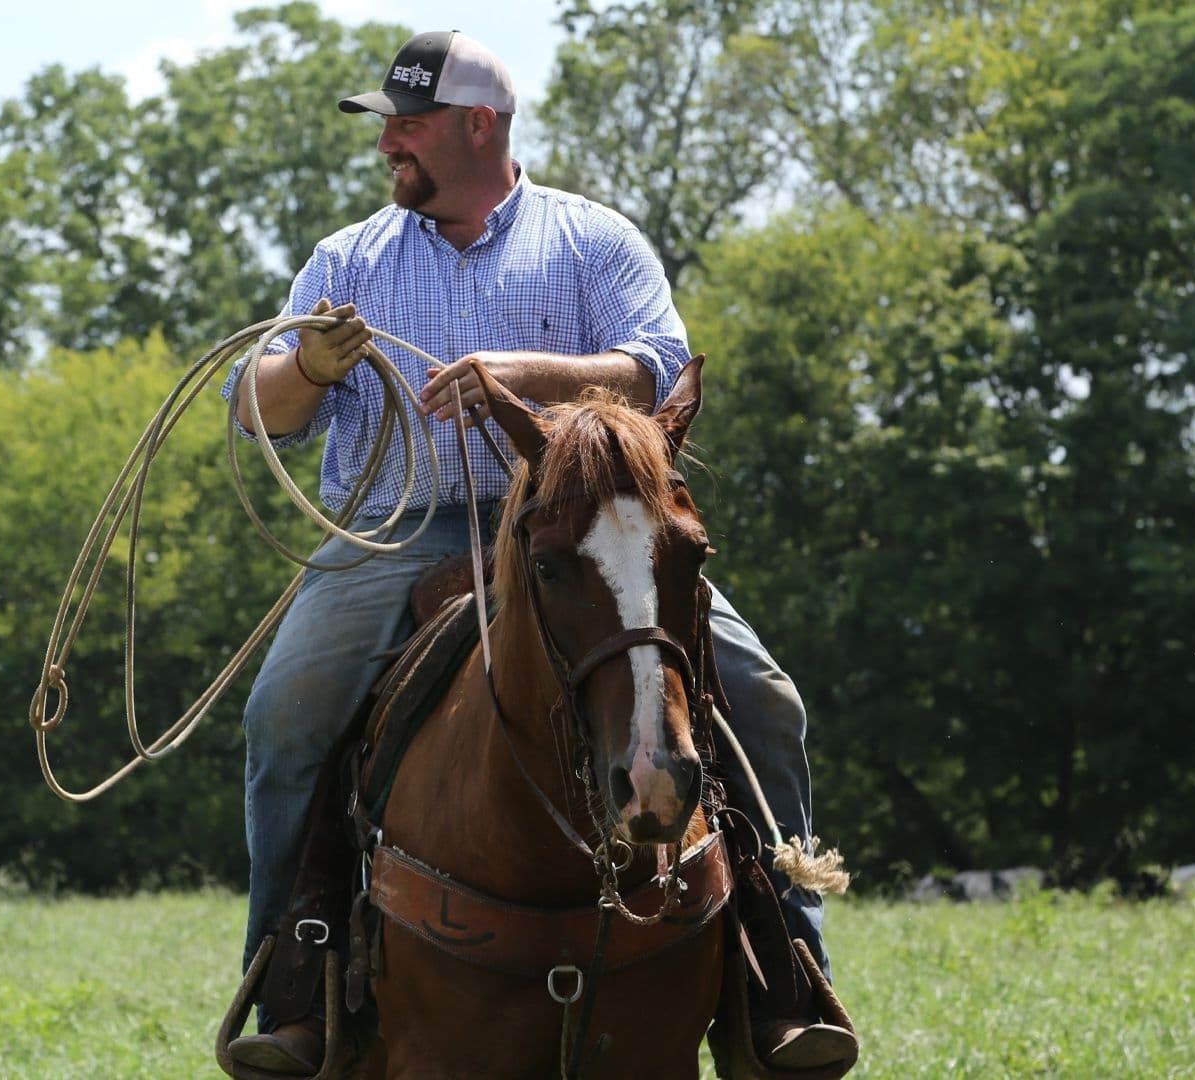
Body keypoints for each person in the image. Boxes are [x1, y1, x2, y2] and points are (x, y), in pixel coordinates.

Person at [221, 29, 853, 1075]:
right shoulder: (347, 259)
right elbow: (260, 408)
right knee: (285, 714)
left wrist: (523, 374)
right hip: (396, 531)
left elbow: (655, 371)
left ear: (481, 126)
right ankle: (294, 990)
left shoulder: (593, 241)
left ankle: (779, 977)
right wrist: (314, 369)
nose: (391, 148)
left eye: (410, 127)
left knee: (766, 698)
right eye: (387, 128)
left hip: (582, 526)